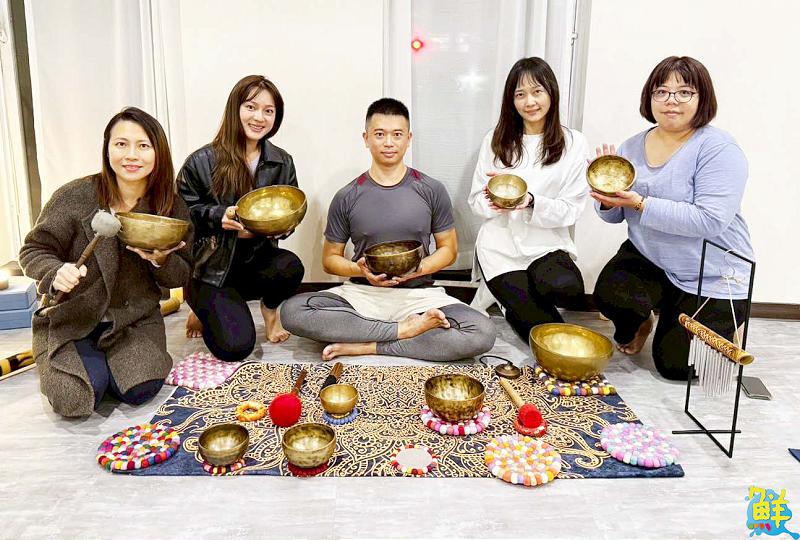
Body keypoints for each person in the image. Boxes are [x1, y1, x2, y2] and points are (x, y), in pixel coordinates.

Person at [281, 98, 496, 361]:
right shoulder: (347, 195)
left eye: (397, 134)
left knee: (482, 331)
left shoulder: (431, 189)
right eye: (380, 134)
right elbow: (330, 259)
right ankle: (402, 331)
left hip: (419, 295)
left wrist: (419, 269)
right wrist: (360, 270)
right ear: (366, 138)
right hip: (362, 294)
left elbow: (448, 250)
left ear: (409, 138)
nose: (389, 143)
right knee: (293, 311)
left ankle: (369, 344)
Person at [19, 107, 192, 417]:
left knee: (140, 390)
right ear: (107, 148)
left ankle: (107, 364)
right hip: (73, 316)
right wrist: (55, 272)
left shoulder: (169, 204)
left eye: (143, 145)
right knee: (75, 400)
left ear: (158, 152)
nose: (131, 155)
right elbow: (33, 250)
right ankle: (82, 361)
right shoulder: (75, 196)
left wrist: (162, 260)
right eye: (121, 144)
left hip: (134, 320)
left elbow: (181, 274)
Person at [591, 56, 754, 380]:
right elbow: (616, 215)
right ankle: (647, 320)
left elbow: (710, 220)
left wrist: (641, 204)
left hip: (711, 272)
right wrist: (606, 200)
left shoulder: (718, 149)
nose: (671, 100)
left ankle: (726, 322)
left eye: (684, 92)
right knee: (610, 295)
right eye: (661, 91)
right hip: (652, 257)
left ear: (702, 98)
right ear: (649, 97)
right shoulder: (631, 146)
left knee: (676, 367)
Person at [178, 75, 304, 361]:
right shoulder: (201, 161)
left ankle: (269, 311)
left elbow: (290, 212)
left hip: (254, 262)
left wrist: (281, 228)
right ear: (235, 108)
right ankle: (201, 307)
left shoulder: (282, 161)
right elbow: (182, 215)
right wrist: (217, 216)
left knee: (291, 267)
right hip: (210, 270)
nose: (259, 117)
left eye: (268, 111)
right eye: (251, 107)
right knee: (235, 348)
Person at [468, 57, 589, 343]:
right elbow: (475, 201)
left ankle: (512, 298)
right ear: (511, 101)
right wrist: (494, 201)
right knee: (545, 335)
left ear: (551, 93)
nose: (529, 102)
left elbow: (571, 209)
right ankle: (510, 301)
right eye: (520, 94)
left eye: (537, 92)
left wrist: (532, 201)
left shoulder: (573, 143)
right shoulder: (495, 140)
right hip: (499, 248)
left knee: (565, 288)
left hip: (545, 244)